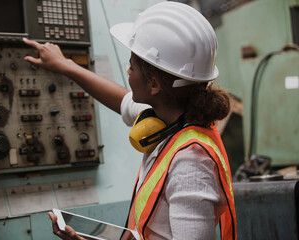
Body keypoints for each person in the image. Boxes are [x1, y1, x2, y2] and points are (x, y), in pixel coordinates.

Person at [23, 2, 237, 240]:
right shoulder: (169, 118)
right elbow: (122, 101)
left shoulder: (191, 163)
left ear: (154, 84)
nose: (128, 72)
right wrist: (65, 65)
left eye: (131, 66)